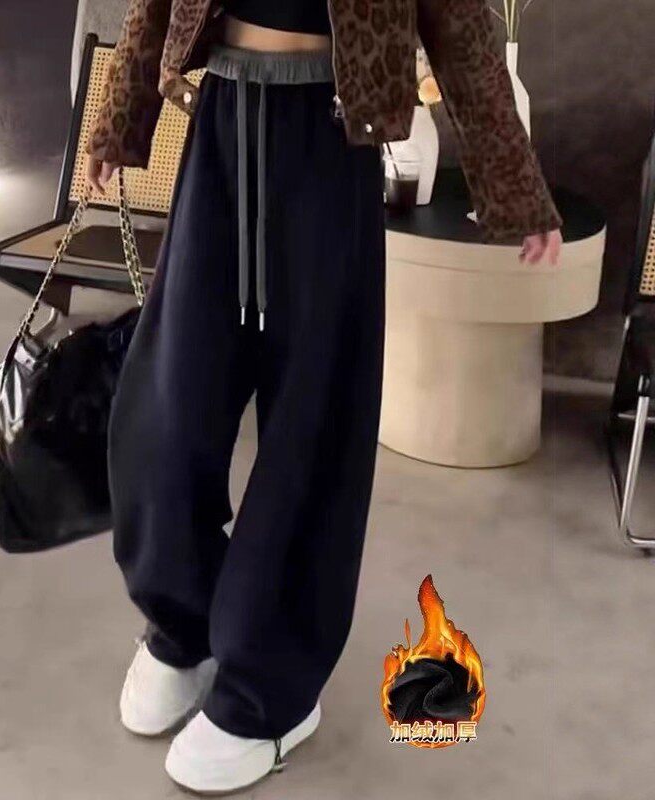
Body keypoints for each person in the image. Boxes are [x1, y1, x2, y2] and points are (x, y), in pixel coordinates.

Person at [85, 0, 563, 793]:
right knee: (164, 413)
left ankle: (269, 692)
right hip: (221, 124)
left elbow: (462, 26)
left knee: (312, 429)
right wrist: (119, 116)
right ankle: (183, 624)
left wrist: (512, 184)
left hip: (330, 141)